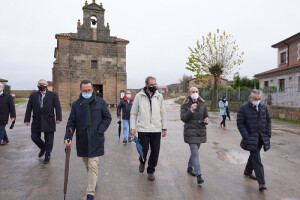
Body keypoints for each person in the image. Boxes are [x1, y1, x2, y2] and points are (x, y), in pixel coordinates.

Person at [65, 80, 111, 200]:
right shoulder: (76, 105)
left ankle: (90, 193)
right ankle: (94, 181)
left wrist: (99, 131)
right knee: (87, 164)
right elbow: (71, 122)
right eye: (84, 90)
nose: (86, 92)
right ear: (80, 90)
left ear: (92, 90)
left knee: (92, 165)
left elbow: (107, 117)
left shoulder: (100, 102)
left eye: (89, 90)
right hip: (83, 139)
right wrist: (68, 137)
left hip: (96, 139)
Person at [130, 76, 167, 181]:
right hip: (143, 128)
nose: (153, 86)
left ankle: (151, 170)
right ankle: (142, 162)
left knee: (155, 151)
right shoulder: (139, 96)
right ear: (146, 84)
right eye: (151, 84)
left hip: (156, 128)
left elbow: (163, 113)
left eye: (155, 84)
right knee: (144, 149)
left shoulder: (159, 96)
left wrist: (164, 128)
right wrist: (133, 128)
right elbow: (133, 113)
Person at [237, 89, 271, 191]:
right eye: (255, 99)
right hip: (251, 137)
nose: (257, 100)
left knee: (254, 155)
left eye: (259, 99)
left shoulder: (263, 107)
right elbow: (240, 123)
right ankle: (262, 183)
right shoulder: (243, 108)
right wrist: (246, 136)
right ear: (250, 98)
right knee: (257, 159)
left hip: (262, 137)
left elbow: (268, 120)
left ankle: (247, 171)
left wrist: (268, 133)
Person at [24, 79, 62, 164]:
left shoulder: (53, 95)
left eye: (43, 84)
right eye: (40, 84)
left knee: (49, 139)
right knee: (34, 137)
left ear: (46, 85)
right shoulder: (33, 95)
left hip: (49, 120)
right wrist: (27, 119)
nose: (42, 85)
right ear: (37, 85)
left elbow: (58, 107)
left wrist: (59, 118)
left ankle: (47, 155)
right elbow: (29, 108)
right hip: (36, 120)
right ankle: (43, 147)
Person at [180, 87, 208, 185]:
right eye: (193, 92)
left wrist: (206, 120)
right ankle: (199, 175)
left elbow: (206, 115)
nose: (195, 93)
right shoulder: (184, 105)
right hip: (190, 132)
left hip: (200, 131)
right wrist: (190, 110)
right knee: (195, 154)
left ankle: (189, 167)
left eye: (196, 92)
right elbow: (183, 118)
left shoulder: (203, 103)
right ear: (189, 93)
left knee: (194, 152)